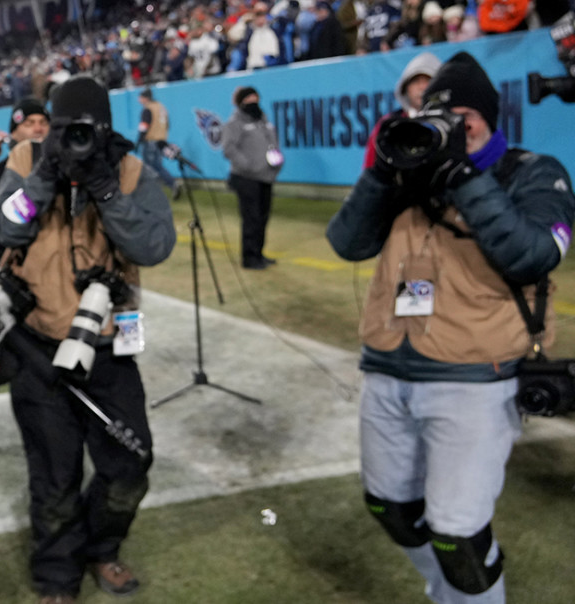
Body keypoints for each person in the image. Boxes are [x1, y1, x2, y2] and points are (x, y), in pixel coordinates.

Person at [326, 51, 575, 604]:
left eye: (468, 115)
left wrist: (464, 176)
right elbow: (347, 243)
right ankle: (448, 595)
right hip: (388, 370)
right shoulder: (409, 178)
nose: (458, 127)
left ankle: (462, 593)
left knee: (458, 536)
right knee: (389, 507)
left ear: (490, 115)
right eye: (441, 115)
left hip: (474, 380)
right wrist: (383, 172)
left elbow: (532, 253)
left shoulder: (534, 171)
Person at [0, 75, 176, 604]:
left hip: (110, 348)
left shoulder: (129, 168)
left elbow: (154, 244)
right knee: (54, 475)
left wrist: (106, 187)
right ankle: (56, 578)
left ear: (107, 130)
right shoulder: (28, 161)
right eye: (67, 129)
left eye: (86, 131)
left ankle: (102, 547)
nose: (77, 140)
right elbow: (7, 228)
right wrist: (46, 175)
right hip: (38, 344)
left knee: (129, 466)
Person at [0, 97, 49, 272]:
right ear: (14, 132)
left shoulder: (67, 173)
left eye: (43, 122)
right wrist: (13, 274)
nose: (38, 128)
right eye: (29, 123)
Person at [222, 86, 283, 269]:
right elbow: (229, 148)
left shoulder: (264, 120)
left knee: (263, 217)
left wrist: (277, 162)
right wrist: (247, 165)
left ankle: (259, 253)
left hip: (266, 176)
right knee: (251, 218)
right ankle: (249, 258)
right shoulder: (235, 122)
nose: (253, 103)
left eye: (256, 98)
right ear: (241, 102)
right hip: (246, 177)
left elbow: (272, 143)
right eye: (249, 99)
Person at [363, 52, 442, 169]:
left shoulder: (452, 125)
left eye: (428, 80)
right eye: (416, 81)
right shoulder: (388, 125)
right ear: (405, 88)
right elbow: (370, 169)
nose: (422, 87)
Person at [136, 88, 178, 191]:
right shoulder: (161, 107)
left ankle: (155, 189)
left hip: (150, 141)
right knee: (158, 166)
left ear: (146, 98)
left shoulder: (148, 109)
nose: (139, 100)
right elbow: (168, 125)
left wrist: (139, 141)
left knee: (150, 167)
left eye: (141, 97)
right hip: (161, 141)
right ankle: (171, 183)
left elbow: (144, 126)